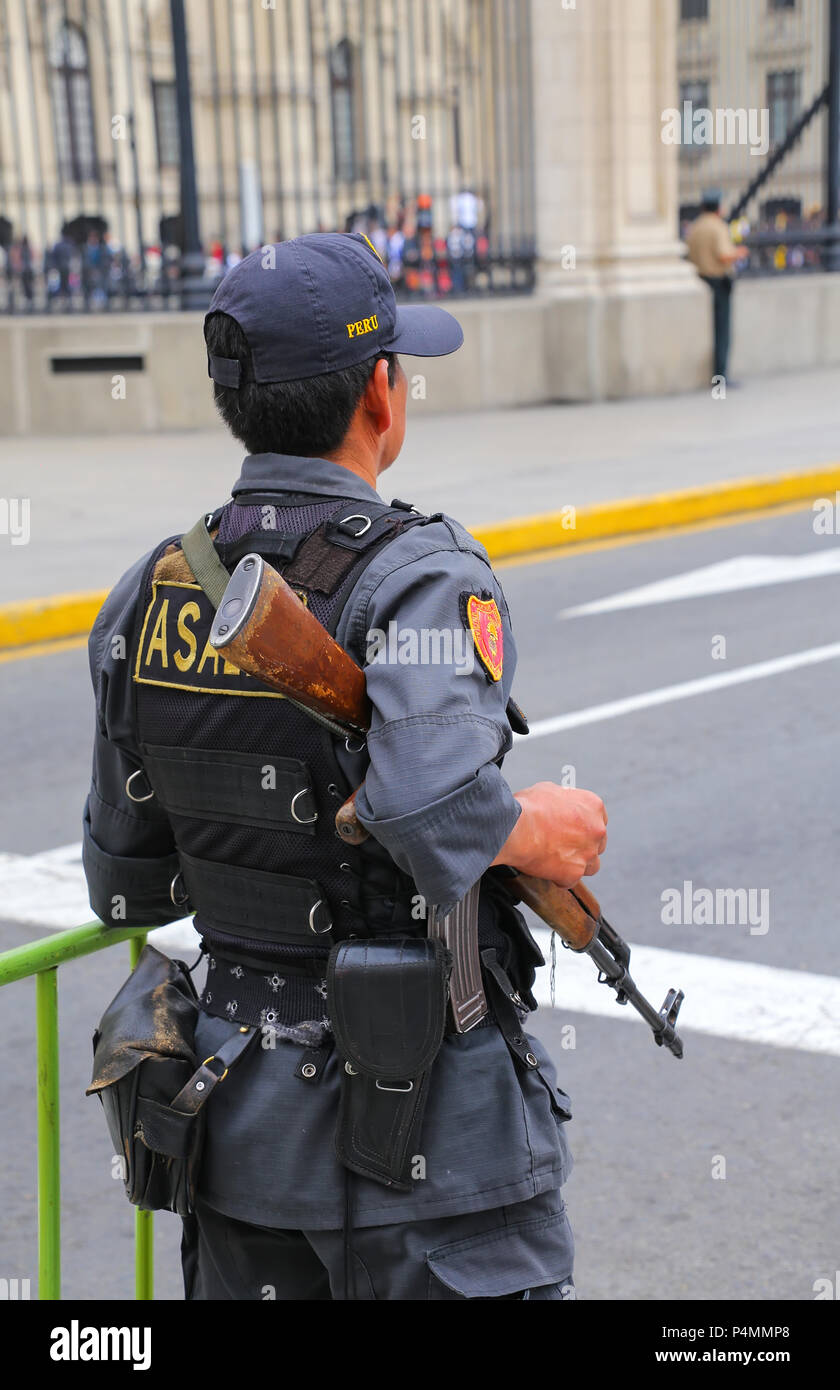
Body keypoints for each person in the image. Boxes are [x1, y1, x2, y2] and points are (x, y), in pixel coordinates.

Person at [82, 231, 608, 1301]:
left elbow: (124, 881)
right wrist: (534, 828)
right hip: (429, 1156)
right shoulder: (421, 577)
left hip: (235, 1138)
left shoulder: (151, 593)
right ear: (381, 391)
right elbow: (437, 797)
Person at [686, 189, 748, 383]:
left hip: (700, 280)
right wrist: (739, 253)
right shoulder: (717, 226)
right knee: (722, 332)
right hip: (719, 283)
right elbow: (723, 254)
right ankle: (720, 376)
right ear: (718, 207)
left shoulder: (695, 227)